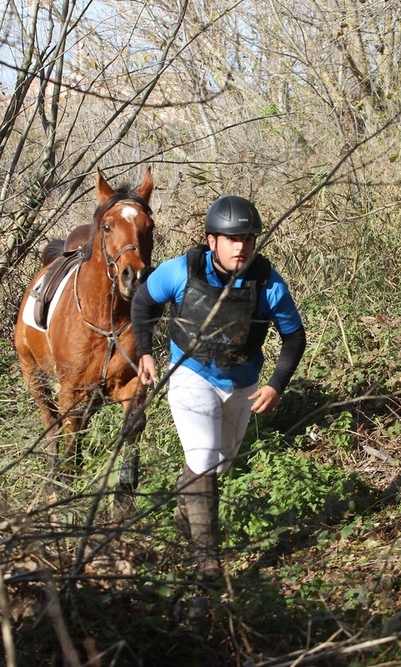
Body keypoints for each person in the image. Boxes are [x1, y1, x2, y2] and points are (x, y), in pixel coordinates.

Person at [130, 195, 306, 581]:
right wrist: (145, 353)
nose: (240, 246)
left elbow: (294, 337)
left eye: (247, 237)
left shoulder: (268, 283)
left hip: (241, 381)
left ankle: (185, 516)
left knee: (217, 464)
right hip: (190, 373)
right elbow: (143, 304)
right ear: (212, 241)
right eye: (231, 238)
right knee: (206, 457)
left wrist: (277, 385)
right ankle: (207, 562)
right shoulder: (180, 271)